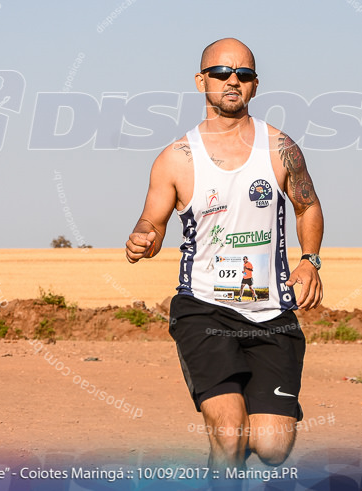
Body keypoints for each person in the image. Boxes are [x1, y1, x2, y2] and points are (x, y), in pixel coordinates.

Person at [125, 37, 324, 471]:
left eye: (244, 75)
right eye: (221, 73)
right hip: (204, 309)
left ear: (255, 85)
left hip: (272, 312)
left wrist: (310, 260)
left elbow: (307, 205)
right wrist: (143, 238)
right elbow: (152, 223)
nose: (232, 81)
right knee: (230, 434)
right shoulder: (176, 159)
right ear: (202, 82)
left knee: (272, 448)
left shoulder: (281, 148)